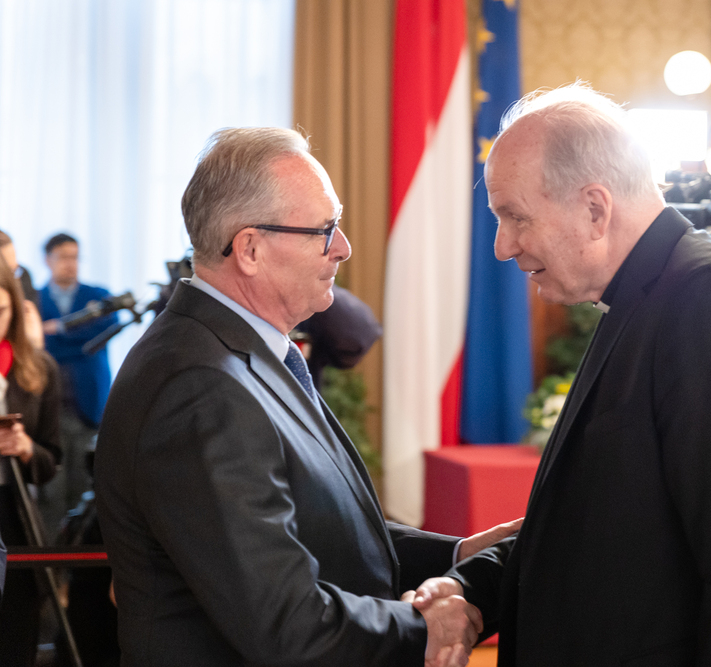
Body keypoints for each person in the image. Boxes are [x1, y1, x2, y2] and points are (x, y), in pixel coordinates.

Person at [411, 84, 711, 666]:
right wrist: (472, 589)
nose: (503, 246)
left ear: (595, 208)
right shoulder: (648, 294)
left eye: (515, 217)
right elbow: (602, 526)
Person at [94, 127, 517, 667]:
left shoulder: (238, 352)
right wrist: (425, 628)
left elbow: (319, 527)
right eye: (324, 229)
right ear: (250, 249)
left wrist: (456, 554)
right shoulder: (199, 385)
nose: (342, 248)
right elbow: (285, 623)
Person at [0, 254, 62, 666]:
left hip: (14, 511)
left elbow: (51, 461)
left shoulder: (38, 369)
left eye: (1, 310)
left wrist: (25, 447)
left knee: (16, 632)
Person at [38, 233, 117, 536]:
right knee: (51, 495)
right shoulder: (34, 300)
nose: (70, 264)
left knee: (86, 491)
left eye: (75, 257)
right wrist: (80, 336)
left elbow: (105, 329)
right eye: (63, 257)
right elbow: (38, 346)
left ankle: (79, 562)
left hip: (89, 408)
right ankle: (48, 562)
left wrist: (57, 329)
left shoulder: (99, 296)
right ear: (48, 260)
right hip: (52, 414)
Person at [0, 231, 43, 349]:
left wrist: (35, 344)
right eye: (8, 272)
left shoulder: (23, 276)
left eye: (15, 269)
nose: (15, 280)